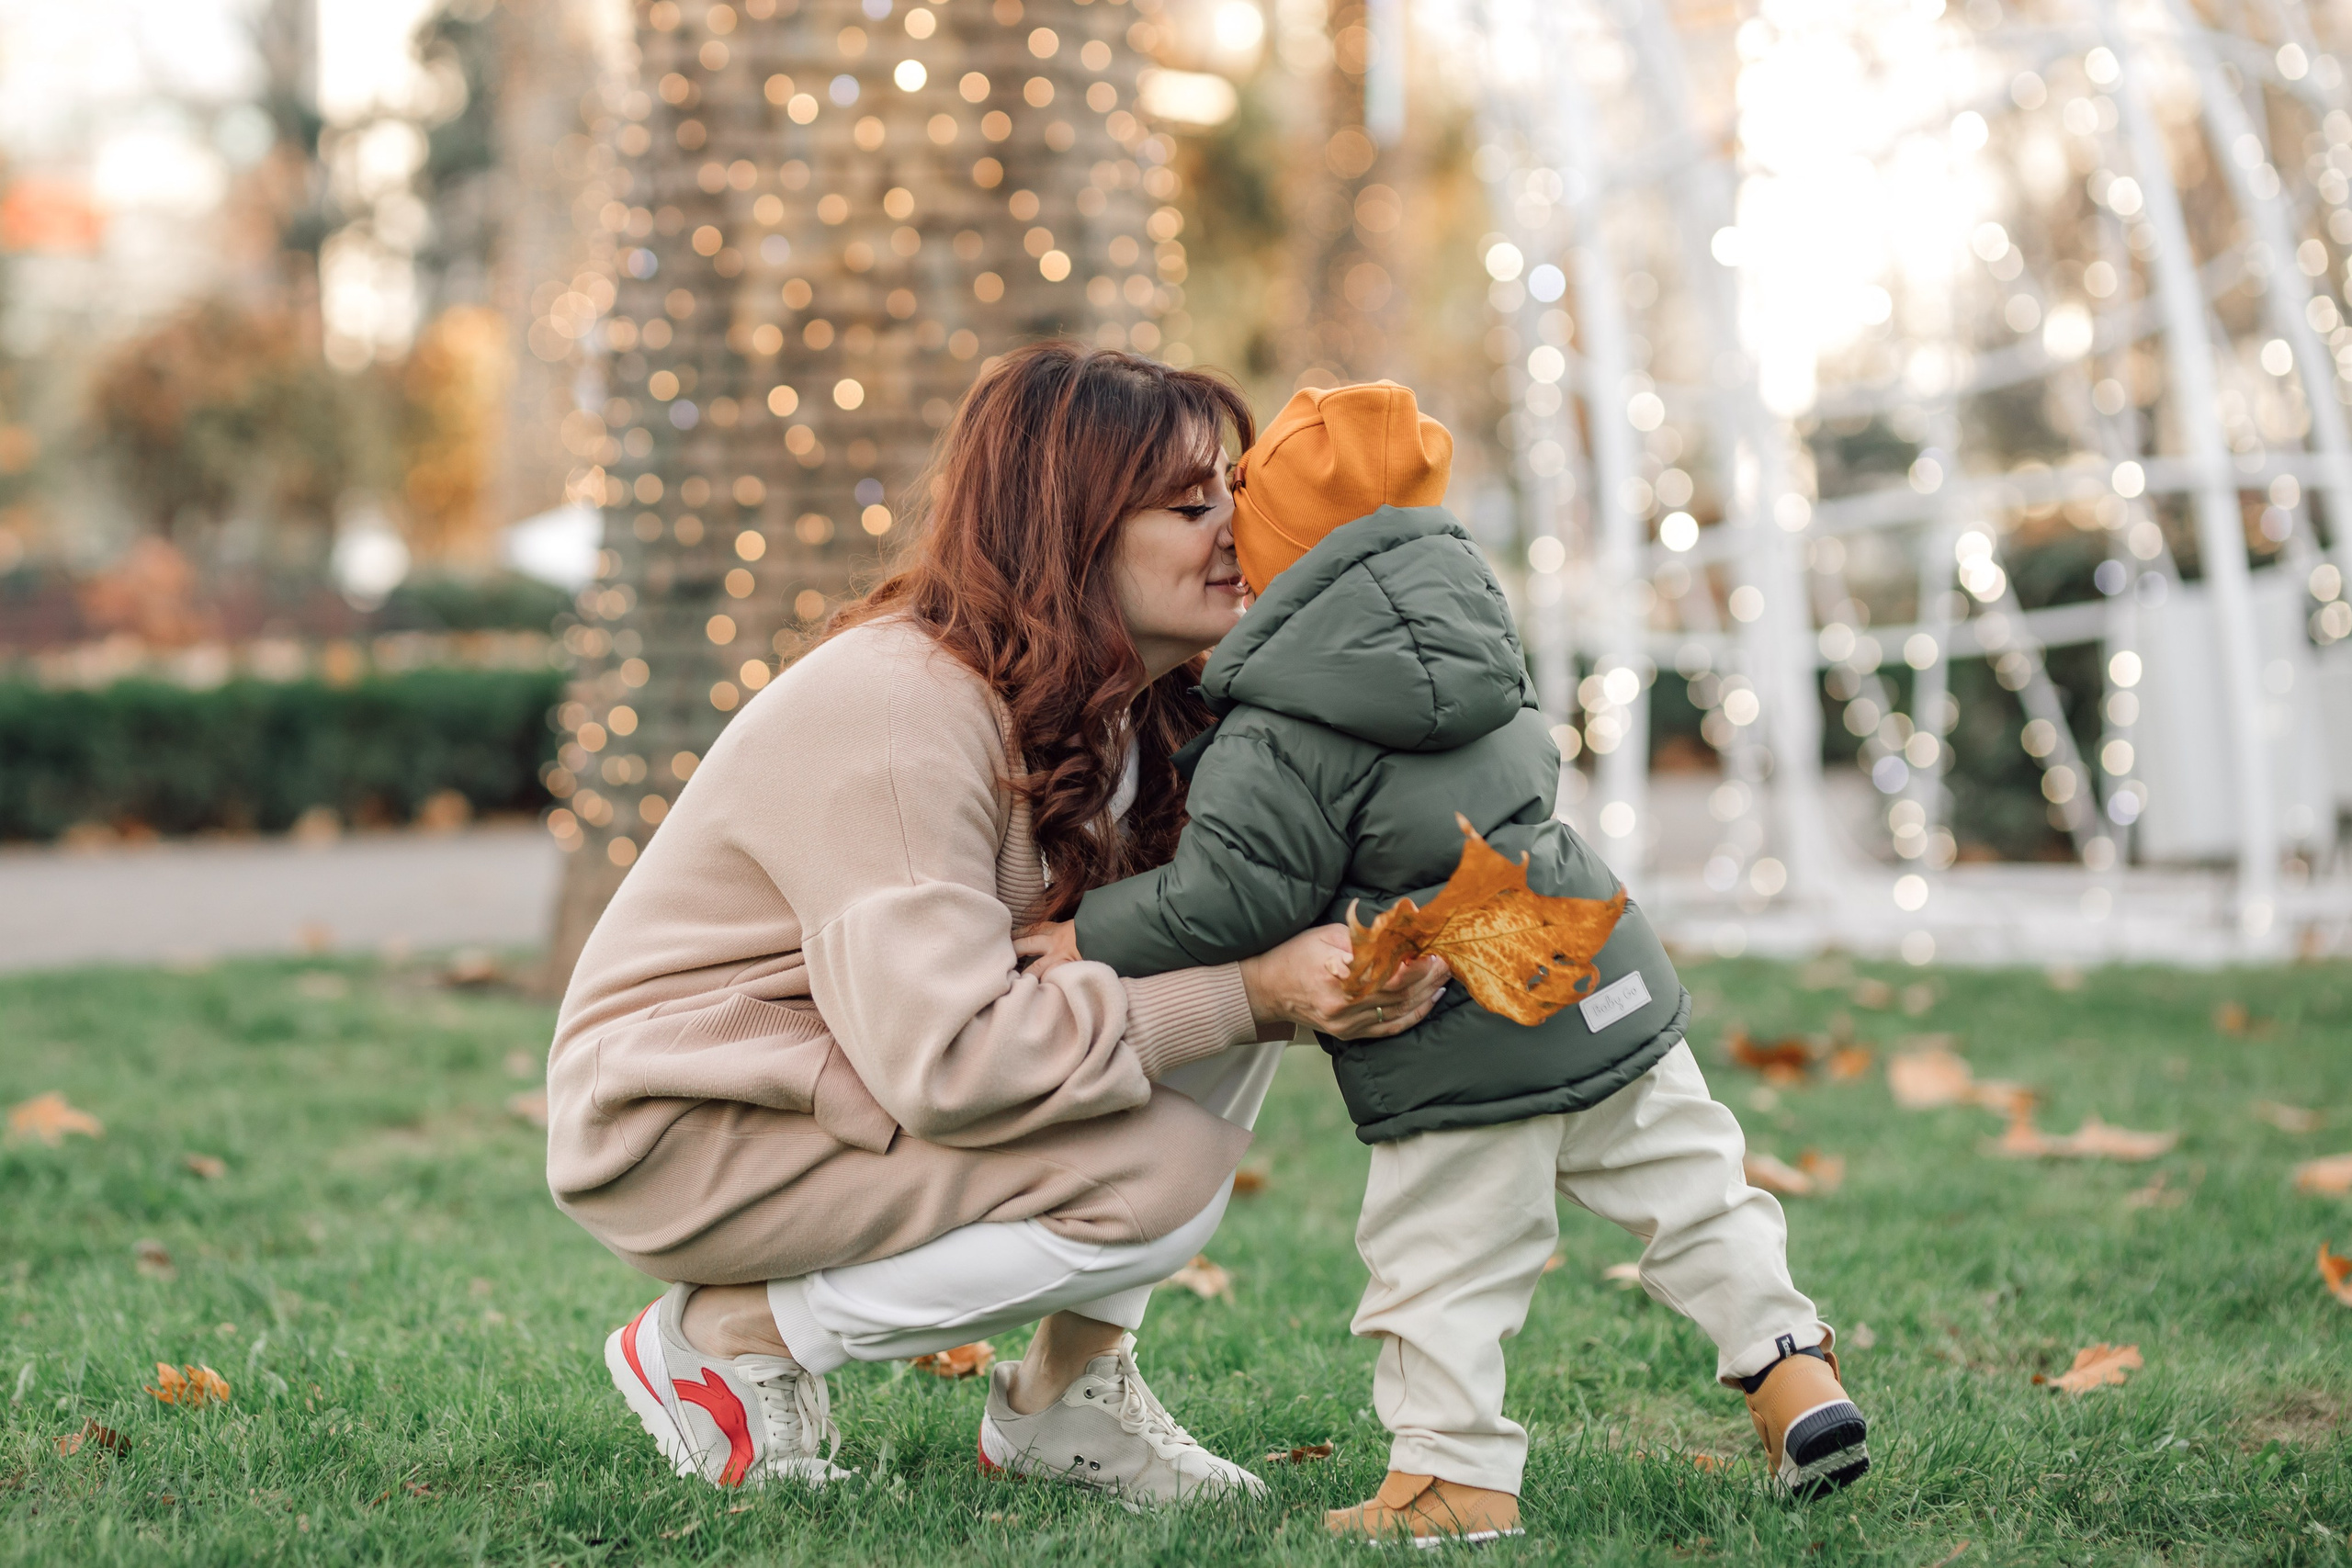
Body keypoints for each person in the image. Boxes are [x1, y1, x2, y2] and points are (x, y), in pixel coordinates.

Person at [542, 345, 1449, 1502]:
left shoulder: (1138, 704)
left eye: (1236, 486)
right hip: (691, 1127)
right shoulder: (899, 707)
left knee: (1224, 969)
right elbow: (954, 1059)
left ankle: (1067, 1403)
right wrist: (1255, 993)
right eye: (1189, 503)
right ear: (1070, 530)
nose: (1240, 522)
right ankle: (736, 1339)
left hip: (849, 1069)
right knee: (1162, 1167)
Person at [1028, 381, 1870, 1544]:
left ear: (1278, 554)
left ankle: (1451, 1479)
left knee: (1440, 1259)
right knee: (1692, 1186)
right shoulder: (1479, 635)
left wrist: (1087, 931)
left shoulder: (1279, 725)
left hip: (1454, 1009)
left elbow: (1235, 897)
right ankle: (1790, 1372)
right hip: (1590, 963)